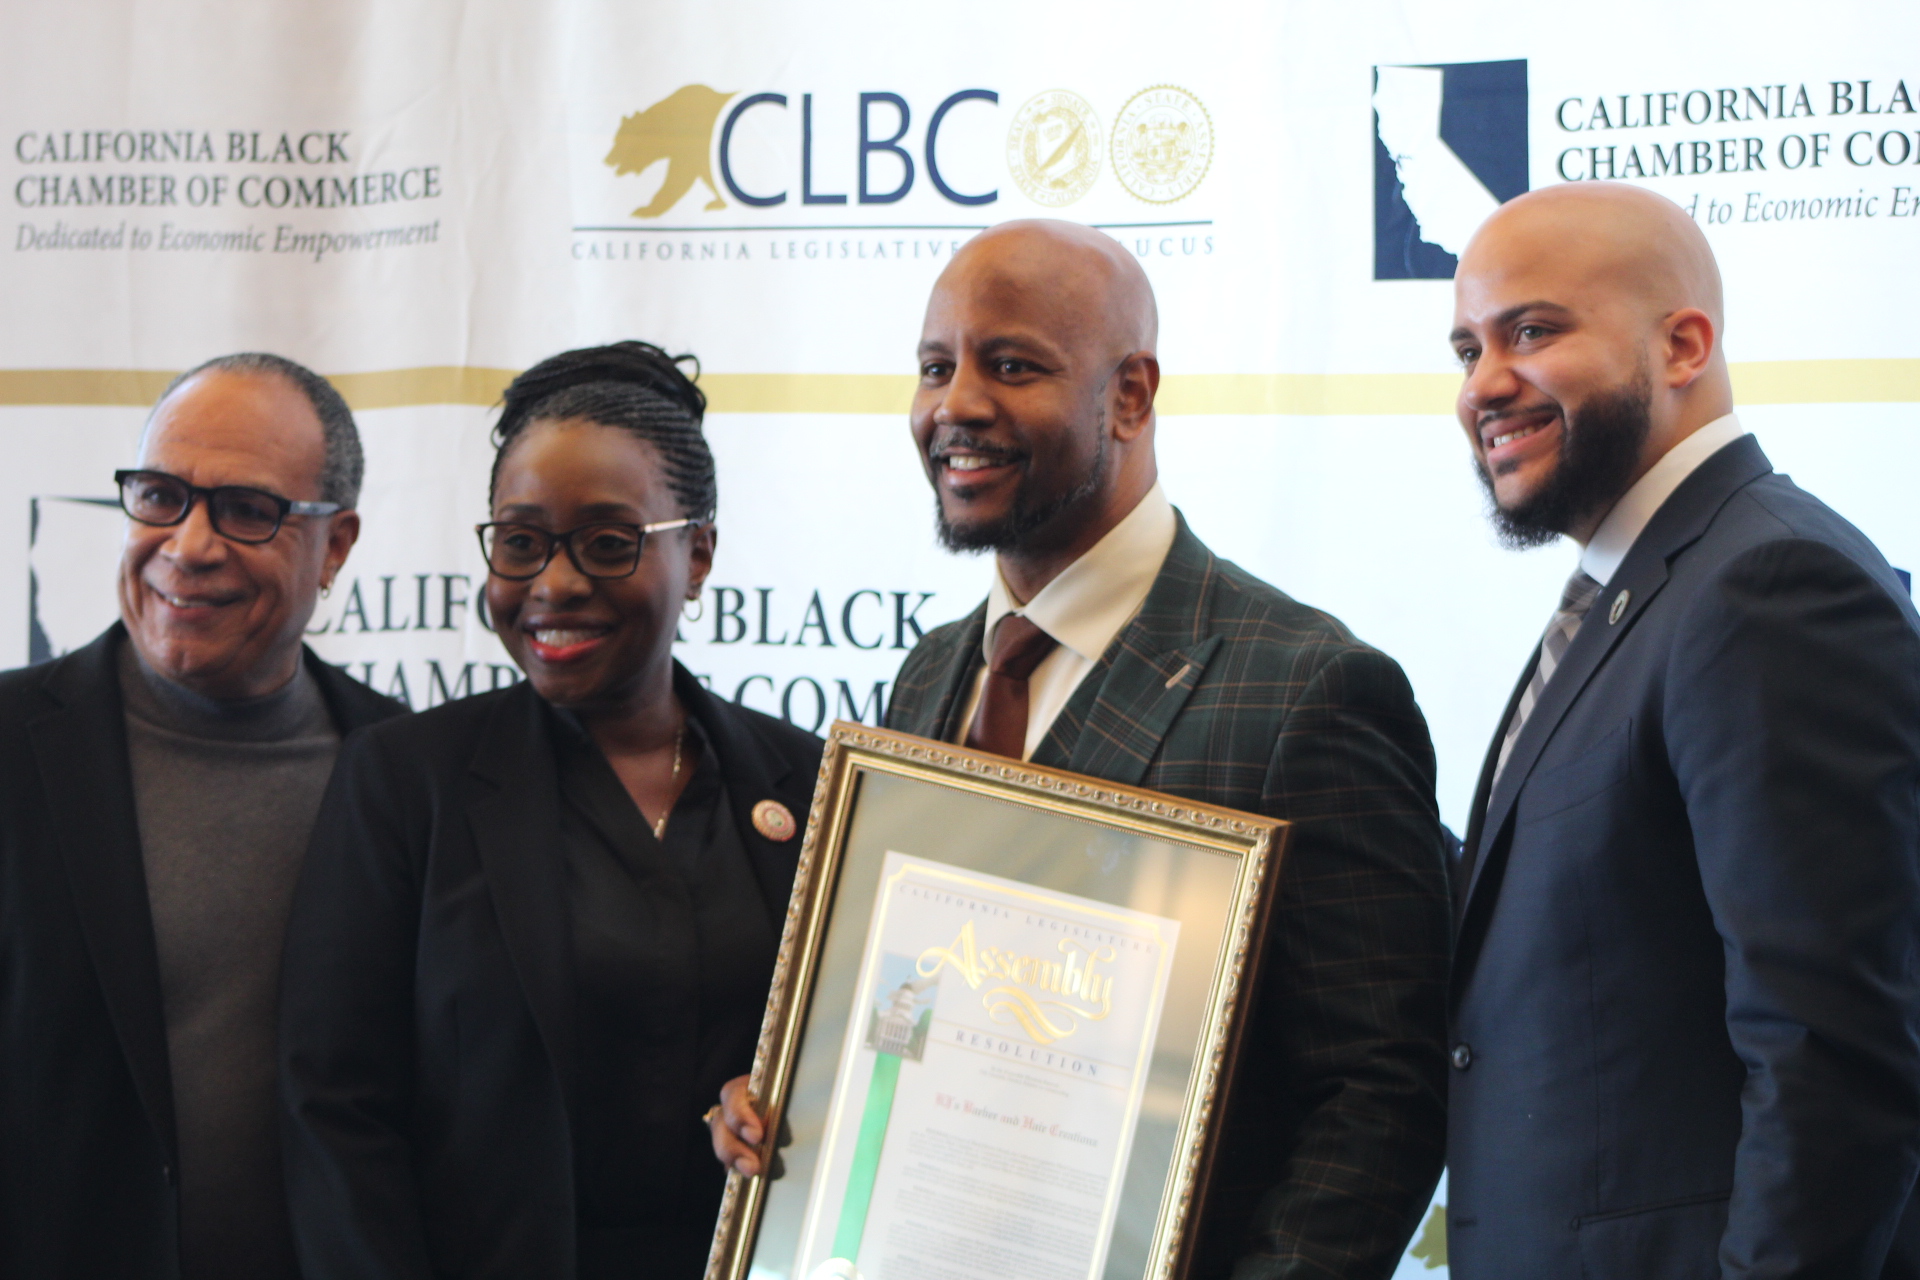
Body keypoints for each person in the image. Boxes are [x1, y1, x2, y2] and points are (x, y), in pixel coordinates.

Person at [708, 220, 1452, 1278]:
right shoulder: (928, 677)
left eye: (1011, 365)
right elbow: (907, 1009)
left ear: (1132, 395)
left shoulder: (1309, 689)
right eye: (935, 367)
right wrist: (791, 1101)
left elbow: (1381, 1097)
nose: (955, 405)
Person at [1444, 182, 1920, 1278]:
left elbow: (1830, 1063)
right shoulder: (1644, 584)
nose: (1484, 386)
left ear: (1685, 343)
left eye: (1532, 330)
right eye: (1467, 348)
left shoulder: (1768, 584)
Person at [279, 341, 824, 1280]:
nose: (555, 584)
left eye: (610, 542)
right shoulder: (406, 781)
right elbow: (334, 1111)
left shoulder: (806, 783)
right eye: (521, 542)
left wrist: (788, 1104)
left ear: (697, 556)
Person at [0, 353, 403, 1280]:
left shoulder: (403, 775)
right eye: (160, 495)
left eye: (248, 509)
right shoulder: (14, 748)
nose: (188, 545)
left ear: (335, 546)